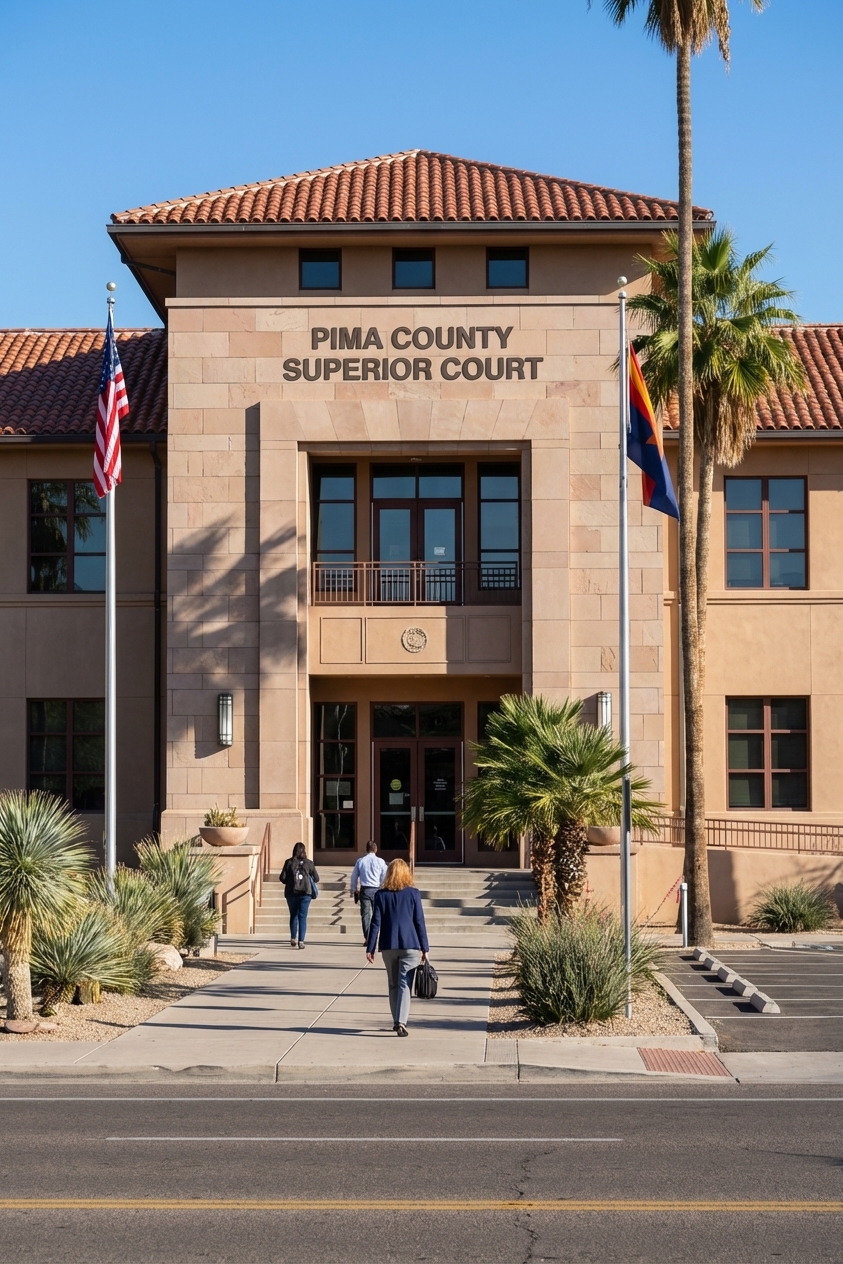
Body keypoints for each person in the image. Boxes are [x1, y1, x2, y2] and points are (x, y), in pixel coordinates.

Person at [366, 858, 429, 1037]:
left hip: (388, 945)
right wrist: (425, 947)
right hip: (410, 944)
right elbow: (419, 922)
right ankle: (400, 1021)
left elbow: (375, 922)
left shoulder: (381, 895)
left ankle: (397, 1020)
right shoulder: (413, 894)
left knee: (393, 984)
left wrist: (370, 947)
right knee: (404, 984)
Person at [279, 842, 319, 950]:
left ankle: (293, 938)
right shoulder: (309, 863)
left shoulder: (289, 862)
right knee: (302, 917)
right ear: (304, 851)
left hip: (291, 893)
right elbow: (316, 878)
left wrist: (291, 881)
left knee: (293, 915)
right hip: (305, 893)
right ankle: (301, 941)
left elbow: (282, 878)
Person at [349, 840, 388, 943]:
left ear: (366, 849)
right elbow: (385, 875)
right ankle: (376, 936)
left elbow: (354, 876)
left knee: (366, 915)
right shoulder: (380, 861)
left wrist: (353, 888)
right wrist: (382, 886)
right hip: (376, 889)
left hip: (365, 889)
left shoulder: (360, 861)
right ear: (376, 849)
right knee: (377, 914)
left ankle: (368, 937)